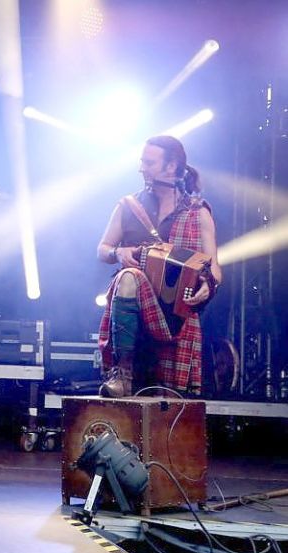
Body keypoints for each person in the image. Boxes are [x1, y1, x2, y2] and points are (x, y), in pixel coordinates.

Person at [96, 135, 222, 397]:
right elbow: (103, 249)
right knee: (129, 276)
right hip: (131, 307)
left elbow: (214, 267)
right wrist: (119, 253)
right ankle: (123, 373)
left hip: (175, 313)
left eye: (149, 163)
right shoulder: (128, 206)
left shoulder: (197, 212)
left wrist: (209, 286)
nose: (142, 168)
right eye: (142, 161)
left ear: (172, 167)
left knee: (165, 409)